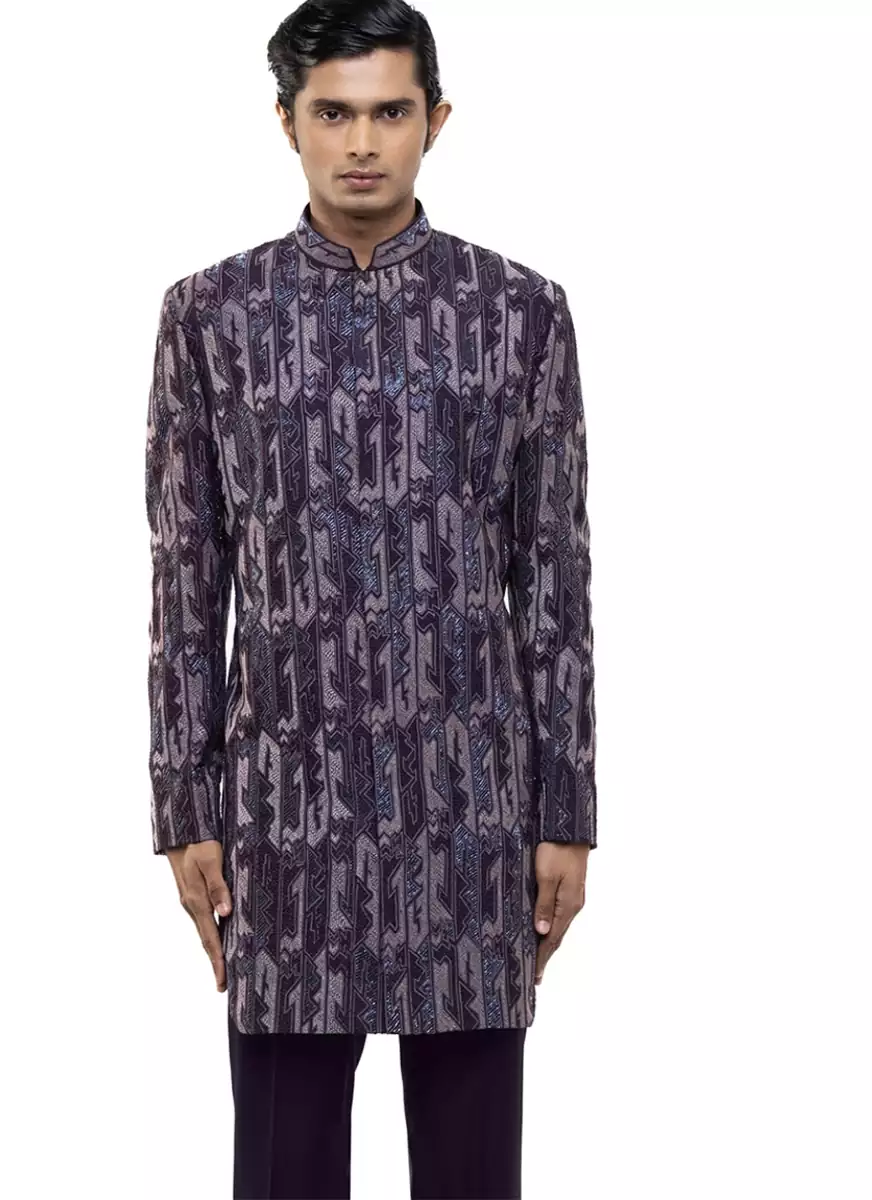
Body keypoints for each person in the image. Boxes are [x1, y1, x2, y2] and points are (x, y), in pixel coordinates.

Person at [144, 1, 597, 1195]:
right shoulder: (211, 317)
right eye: (332, 113)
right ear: (285, 123)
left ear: (435, 121)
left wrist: (565, 811)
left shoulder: (519, 312)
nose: (360, 142)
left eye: (389, 112)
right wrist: (184, 804)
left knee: (471, 1174)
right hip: (282, 818)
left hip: (472, 809)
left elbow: (554, 578)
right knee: (283, 1170)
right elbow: (186, 578)